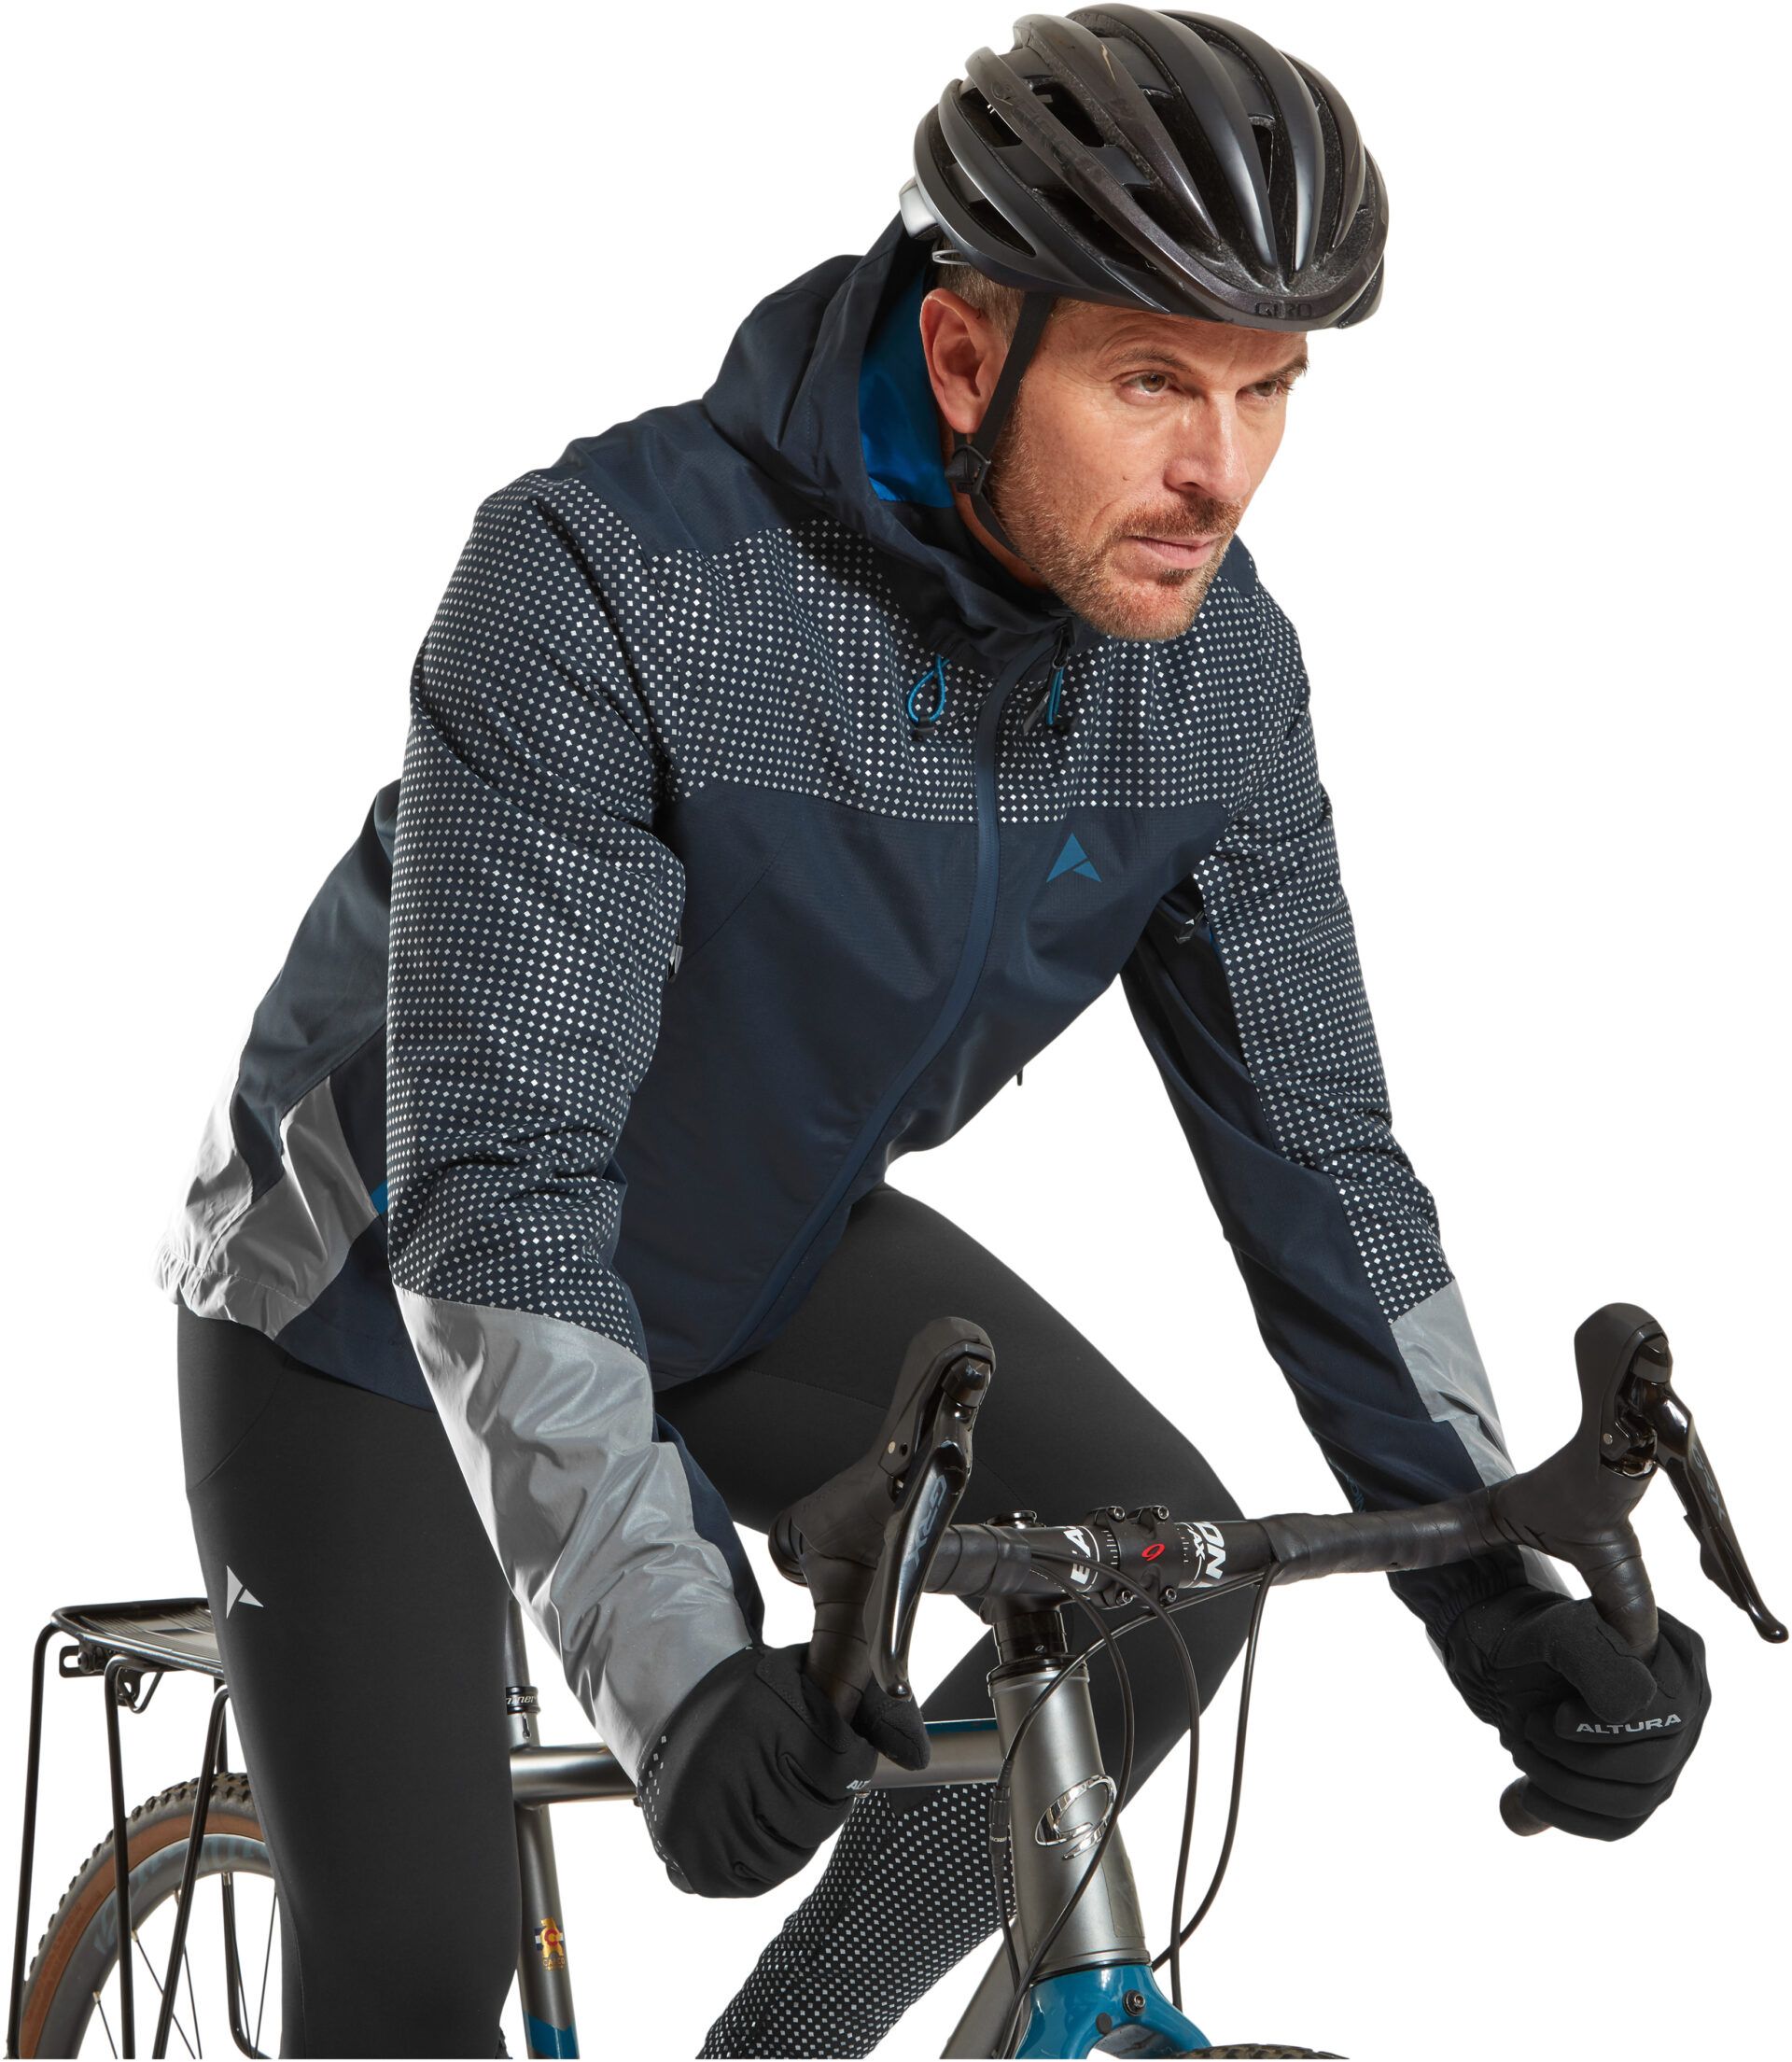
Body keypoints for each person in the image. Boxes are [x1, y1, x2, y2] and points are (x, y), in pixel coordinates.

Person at [153, 7, 1710, 2056]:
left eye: (1267, 387)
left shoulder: (1209, 674)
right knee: (416, 1991)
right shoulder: (611, 582)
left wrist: (1493, 1587)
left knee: (1160, 1578)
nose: (1220, 470)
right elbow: (502, 1175)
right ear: (968, 356)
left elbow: (1323, 1152)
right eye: (1152, 379)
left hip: (749, 1248)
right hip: (373, 1296)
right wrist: (679, 1673)